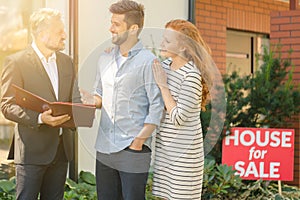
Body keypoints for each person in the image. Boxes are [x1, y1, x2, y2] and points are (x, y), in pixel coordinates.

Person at [82, 0, 164, 200]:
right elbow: (100, 95)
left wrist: (138, 141)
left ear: (133, 29)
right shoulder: (105, 58)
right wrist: (89, 100)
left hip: (133, 149)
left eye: (116, 24)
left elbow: (157, 106)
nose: (110, 28)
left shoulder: (148, 61)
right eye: (111, 22)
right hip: (104, 147)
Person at [0, 8, 81, 200]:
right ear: (43, 34)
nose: (65, 35)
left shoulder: (67, 62)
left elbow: (73, 99)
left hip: (62, 150)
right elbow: (7, 105)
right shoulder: (16, 62)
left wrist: (83, 107)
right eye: (59, 31)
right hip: (32, 151)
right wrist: (39, 118)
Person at [151, 19, 212, 200]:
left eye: (168, 41)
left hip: (184, 158)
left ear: (184, 46)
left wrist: (163, 87)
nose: (162, 43)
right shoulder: (164, 67)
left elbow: (178, 118)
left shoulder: (191, 76)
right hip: (165, 152)